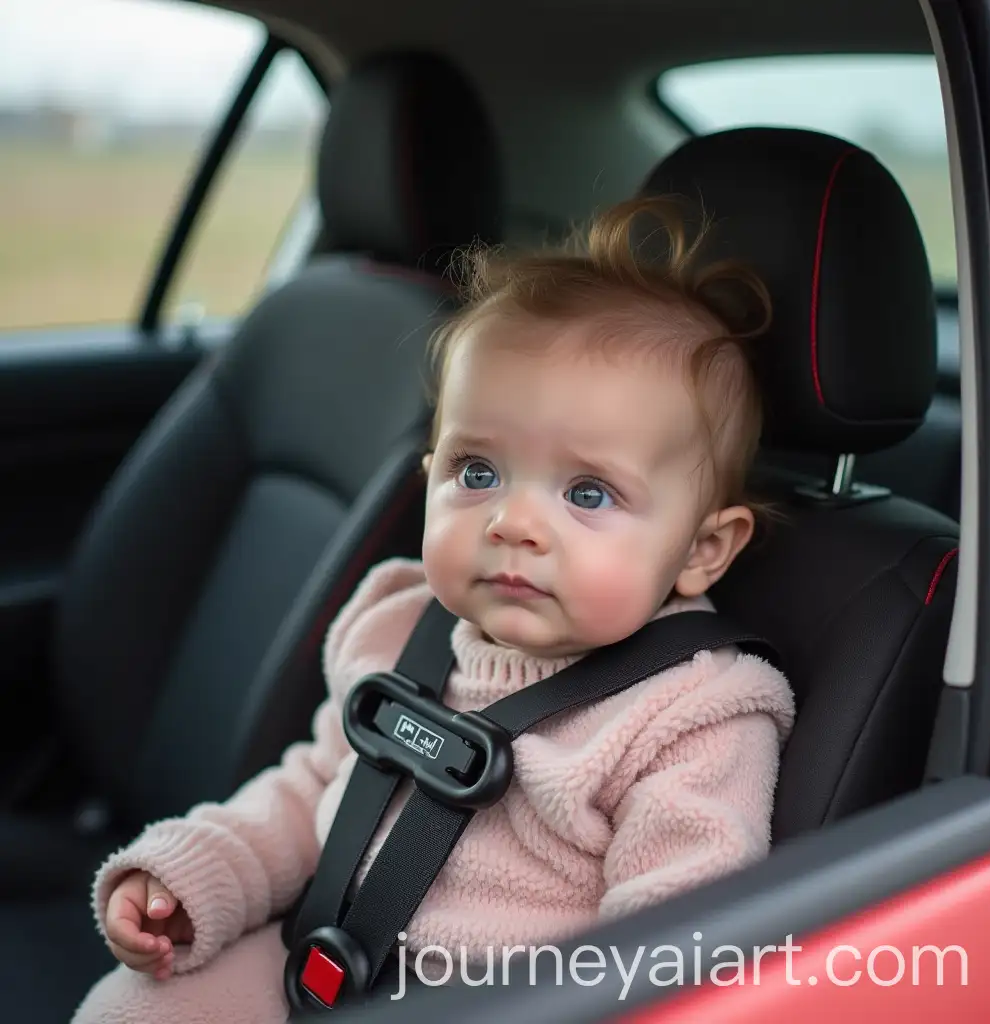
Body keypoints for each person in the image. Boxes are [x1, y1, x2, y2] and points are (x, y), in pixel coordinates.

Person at [71, 196, 796, 1024]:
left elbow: (672, 941)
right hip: (324, 964)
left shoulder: (695, 714)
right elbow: (314, 791)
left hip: (508, 1006)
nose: (513, 523)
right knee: (130, 1005)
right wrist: (195, 876)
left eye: (588, 492)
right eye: (477, 473)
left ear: (703, 549)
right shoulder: (398, 624)